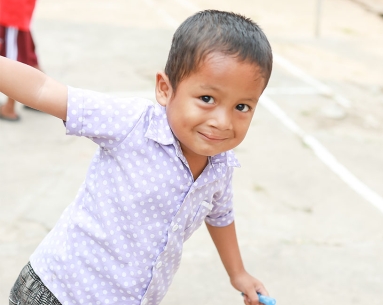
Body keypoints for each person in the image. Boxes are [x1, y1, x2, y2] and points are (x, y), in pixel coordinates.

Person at [1, 9, 273, 305]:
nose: (223, 122)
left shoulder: (221, 164)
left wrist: (238, 273)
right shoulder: (132, 124)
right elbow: (43, 89)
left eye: (243, 106)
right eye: (207, 99)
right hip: (60, 291)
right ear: (165, 89)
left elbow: (221, 216)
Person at [0, 0, 41, 121]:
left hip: (11, 14)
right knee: (29, 57)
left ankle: (9, 108)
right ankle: (37, 98)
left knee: (13, 62)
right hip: (17, 14)